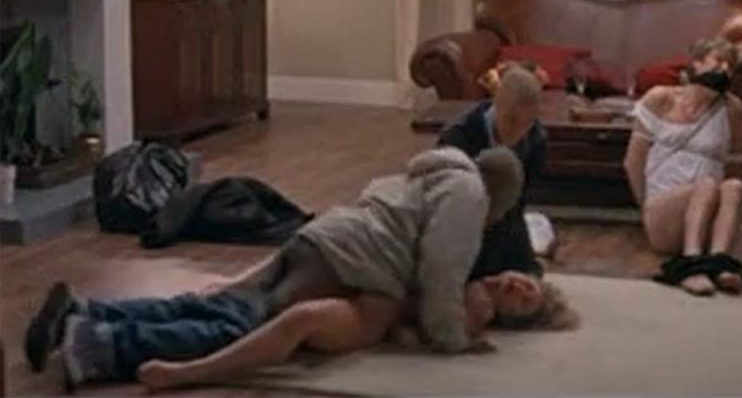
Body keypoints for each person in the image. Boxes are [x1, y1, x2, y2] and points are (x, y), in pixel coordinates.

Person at [24, 146, 525, 389]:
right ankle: (99, 345)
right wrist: (454, 339)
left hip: (323, 234)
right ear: (499, 201)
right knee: (243, 324)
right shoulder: (470, 198)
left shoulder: (433, 174)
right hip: (351, 260)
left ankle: (92, 310)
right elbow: (441, 269)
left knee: (229, 301)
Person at [135, 270, 580, 392]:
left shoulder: (477, 308)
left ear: (510, 317)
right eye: (527, 283)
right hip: (361, 278)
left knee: (301, 318)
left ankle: (194, 371)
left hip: (371, 312)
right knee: (246, 298)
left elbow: (418, 333)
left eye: (525, 301)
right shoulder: (470, 254)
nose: (520, 289)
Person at [623, 37, 742, 297]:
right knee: (706, 185)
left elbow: (738, 164)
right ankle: (690, 267)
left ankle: (719, 263)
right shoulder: (661, 98)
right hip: (664, 207)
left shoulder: (732, 108)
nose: (724, 70)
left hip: (708, 204)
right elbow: (632, 161)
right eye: (718, 62)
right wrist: (644, 205)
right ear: (697, 64)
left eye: (730, 66)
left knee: (734, 187)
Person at [438, 64, 547, 279]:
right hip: (459, 225)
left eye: (528, 123)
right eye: (512, 120)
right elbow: (446, 212)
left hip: (505, 222)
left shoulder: (535, 141)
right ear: (497, 103)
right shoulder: (457, 139)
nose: (518, 131)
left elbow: (516, 207)